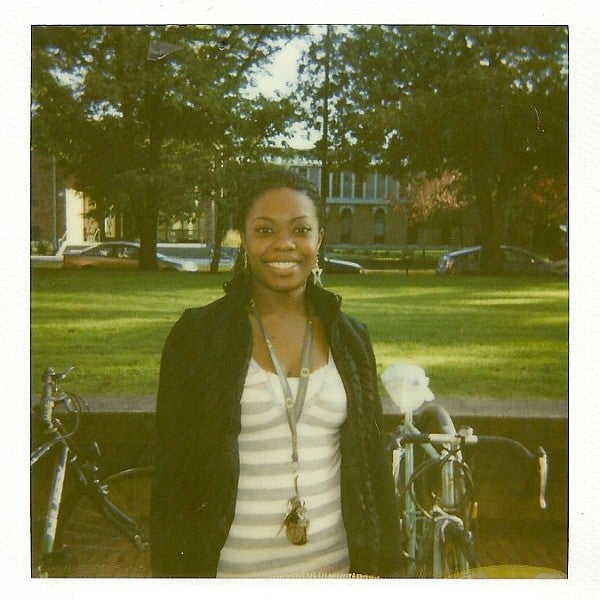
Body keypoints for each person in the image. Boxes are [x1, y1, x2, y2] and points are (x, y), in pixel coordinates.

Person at [150, 167, 402, 578]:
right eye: (265, 230)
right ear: (244, 239)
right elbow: (172, 484)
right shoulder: (198, 336)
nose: (284, 244)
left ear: (319, 238)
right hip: (234, 573)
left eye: (301, 230)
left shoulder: (351, 336)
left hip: (336, 571)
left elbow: (372, 469)